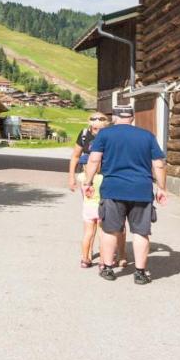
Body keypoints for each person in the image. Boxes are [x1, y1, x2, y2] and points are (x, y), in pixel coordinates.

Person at [83, 105, 167, 285]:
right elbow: (158, 164)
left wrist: (87, 183)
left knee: (110, 229)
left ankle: (107, 268)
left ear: (114, 117)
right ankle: (140, 272)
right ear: (132, 118)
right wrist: (161, 188)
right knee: (141, 232)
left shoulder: (104, 135)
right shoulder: (147, 136)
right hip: (142, 190)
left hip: (113, 189)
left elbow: (94, 159)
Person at [68, 112, 108, 267]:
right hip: (87, 180)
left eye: (101, 119)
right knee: (91, 218)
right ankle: (88, 254)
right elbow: (75, 156)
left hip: (105, 179)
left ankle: (104, 255)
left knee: (103, 222)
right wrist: (71, 176)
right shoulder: (84, 135)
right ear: (89, 121)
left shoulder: (109, 135)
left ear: (107, 122)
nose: (96, 121)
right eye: (93, 118)